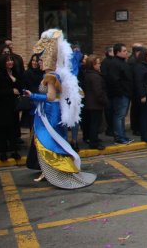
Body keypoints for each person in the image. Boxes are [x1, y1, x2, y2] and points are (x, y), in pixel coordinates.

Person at [24, 29, 96, 188]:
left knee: (47, 141)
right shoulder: (56, 75)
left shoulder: (50, 76)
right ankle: (51, 170)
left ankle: (55, 171)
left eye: (42, 60)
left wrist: (32, 96)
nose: (40, 62)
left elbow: (50, 97)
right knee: (52, 140)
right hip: (52, 111)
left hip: (50, 113)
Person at [0, 53, 21, 162]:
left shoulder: (15, 73)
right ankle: (3, 152)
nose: (10, 62)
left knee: (13, 130)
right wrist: (11, 91)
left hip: (13, 107)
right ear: (3, 62)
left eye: (11, 60)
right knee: (2, 131)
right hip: (1, 108)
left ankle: (14, 151)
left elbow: (20, 87)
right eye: (7, 60)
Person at [105, 43, 133, 144]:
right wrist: (121, 92)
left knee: (122, 116)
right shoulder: (115, 63)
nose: (126, 53)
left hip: (125, 93)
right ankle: (119, 137)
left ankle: (123, 135)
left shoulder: (123, 62)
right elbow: (114, 80)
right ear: (118, 52)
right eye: (124, 51)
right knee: (119, 116)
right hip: (120, 95)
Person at [83, 55, 108, 150]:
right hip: (95, 104)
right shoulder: (95, 77)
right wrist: (105, 101)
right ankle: (94, 142)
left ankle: (93, 139)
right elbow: (98, 92)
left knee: (93, 123)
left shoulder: (88, 74)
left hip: (91, 103)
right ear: (93, 65)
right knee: (95, 124)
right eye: (98, 63)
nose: (100, 65)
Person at [100, 46, 115, 137]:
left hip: (110, 91)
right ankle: (110, 129)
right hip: (108, 91)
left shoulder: (110, 62)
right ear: (109, 52)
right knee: (109, 111)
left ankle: (112, 128)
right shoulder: (106, 62)